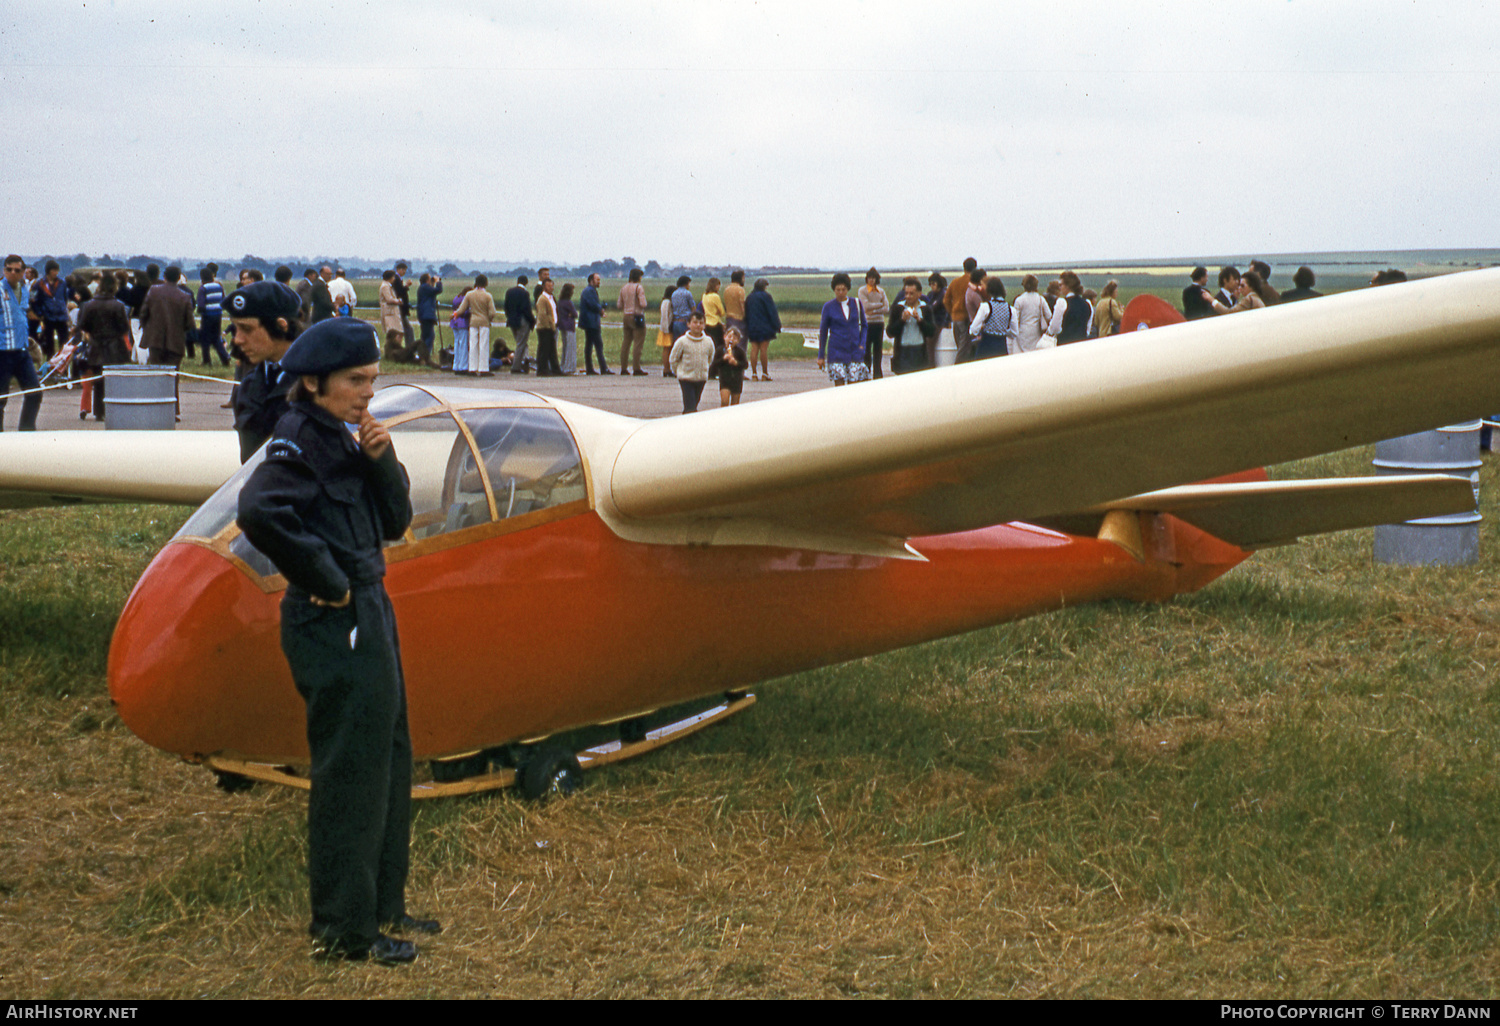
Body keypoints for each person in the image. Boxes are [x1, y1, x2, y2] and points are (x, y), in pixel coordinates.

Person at [236, 317, 436, 965]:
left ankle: (384, 906)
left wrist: (382, 458)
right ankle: (344, 933)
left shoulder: (345, 436)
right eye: (356, 382)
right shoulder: (297, 438)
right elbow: (260, 511)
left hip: (370, 605)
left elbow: (397, 520)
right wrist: (324, 578)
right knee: (351, 771)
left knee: (390, 755)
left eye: (373, 381)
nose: (367, 394)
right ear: (315, 382)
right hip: (337, 618)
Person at [226, 281, 301, 462]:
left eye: (247, 329)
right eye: (236, 328)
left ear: (281, 326)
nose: (237, 340)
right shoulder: (248, 385)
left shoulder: (317, 383)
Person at [139, 265, 197, 417]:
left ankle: (156, 407)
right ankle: (174, 410)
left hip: (155, 339)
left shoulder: (153, 291)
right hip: (176, 341)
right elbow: (190, 323)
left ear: (164, 277)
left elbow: (143, 313)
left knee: (156, 374)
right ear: (179, 278)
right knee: (173, 376)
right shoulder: (185, 296)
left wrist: (148, 328)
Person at [74, 270, 132, 421]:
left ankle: (99, 412)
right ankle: (112, 409)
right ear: (114, 287)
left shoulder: (88, 305)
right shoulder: (118, 306)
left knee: (98, 380)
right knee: (113, 380)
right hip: (114, 347)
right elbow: (124, 328)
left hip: (95, 346)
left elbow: (83, 325)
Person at [0, 255, 43, 431]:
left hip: (22, 351)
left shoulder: (24, 289)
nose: (12, 273)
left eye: (17, 270)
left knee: (34, 393)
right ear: (4, 270)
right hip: (2, 352)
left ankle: (26, 432)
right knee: (1, 398)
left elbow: (22, 314)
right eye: (8, 269)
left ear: (23, 272)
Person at [818, 272, 868, 386]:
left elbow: (864, 326)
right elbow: (823, 331)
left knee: (854, 386)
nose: (841, 293)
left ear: (848, 289)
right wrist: (821, 355)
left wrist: (862, 345)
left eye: (843, 289)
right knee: (839, 387)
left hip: (854, 351)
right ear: (834, 290)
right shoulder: (828, 307)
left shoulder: (856, 303)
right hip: (836, 353)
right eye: (838, 290)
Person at [886, 276, 934, 374]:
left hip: (919, 351)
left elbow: (931, 332)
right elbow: (890, 332)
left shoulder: (925, 309)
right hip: (903, 352)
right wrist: (902, 320)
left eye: (911, 294)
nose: (908, 296)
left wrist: (920, 321)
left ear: (919, 294)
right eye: (906, 293)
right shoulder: (898, 308)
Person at [669, 311, 714, 413]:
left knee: (695, 403)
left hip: (701, 378)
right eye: (695, 322)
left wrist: (704, 368)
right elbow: (673, 359)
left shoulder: (708, 341)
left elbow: (710, 357)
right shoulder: (682, 341)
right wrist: (679, 372)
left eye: (701, 323)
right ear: (688, 324)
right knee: (690, 406)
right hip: (686, 379)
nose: (698, 325)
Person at [454, 275, 496, 375]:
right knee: (483, 345)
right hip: (484, 322)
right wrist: (490, 319)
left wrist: (455, 314)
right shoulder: (487, 296)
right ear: (486, 283)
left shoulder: (469, 294)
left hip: (473, 322)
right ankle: (483, 369)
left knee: (473, 345)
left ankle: (472, 368)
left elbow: (461, 309)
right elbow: (492, 312)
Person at [30, 260, 71, 360]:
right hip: (48, 317)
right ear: (48, 271)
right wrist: (40, 313)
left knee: (64, 342)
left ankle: (63, 364)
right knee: (49, 343)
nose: (56, 273)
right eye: (54, 270)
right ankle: (50, 362)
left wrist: (63, 308)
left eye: (57, 270)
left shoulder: (62, 283)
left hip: (61, 316)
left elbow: (65, 298)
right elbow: (32, 300)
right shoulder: (38, 284)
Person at [744, 277, 780, 381]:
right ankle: (765, 373)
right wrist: (777, 325)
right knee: (763, 349)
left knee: (754, 349)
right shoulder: (766, 296)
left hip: (752, 326)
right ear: (763, 286)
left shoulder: (750, 297)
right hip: (764, 326)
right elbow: (772, 311)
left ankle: (754, 374)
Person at [969, 277, 1014, 359]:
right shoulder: (1011, 309)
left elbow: (973, 330)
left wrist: (982, 327)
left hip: (986, 347)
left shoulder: (985, 307)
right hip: (1002, 347)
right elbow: (1014, 333)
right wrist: (1002, 330)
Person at [858, 268, 889, 378]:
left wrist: (874, 310)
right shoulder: (862, 290)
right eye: (870, 278)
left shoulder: (881, 291)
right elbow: (865, 307)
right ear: (867, 279)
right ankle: (866, 373)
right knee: (866, 349)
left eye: (874, 278)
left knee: (878, 349)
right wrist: (879, 305)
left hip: (879, 323)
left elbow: (886, 308)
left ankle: (878, 374)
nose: (872, 280)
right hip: (868, 323)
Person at [617, 267, 648, 376]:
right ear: (638, 277)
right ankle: (636, 367)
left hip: (626, 316)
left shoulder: (623, 288)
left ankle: (624, 368)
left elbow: (619, 305)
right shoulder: (638, 288)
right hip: (637, 315)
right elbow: (643, 304)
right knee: (638, 342)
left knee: (626, 342)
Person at [503, 275, 534, 374]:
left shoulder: (509, 292)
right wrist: (532, 321)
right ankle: (516, 367)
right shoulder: (525, 293)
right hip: (522, 321)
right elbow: (526, 309)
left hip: (511, 321)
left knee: (520, 343)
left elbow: (506, 307)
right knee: (521, 344)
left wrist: (509, 317)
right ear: (526, 282)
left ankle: (524, 361)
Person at [579, 273, 609, 375]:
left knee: (590, 345)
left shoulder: (590, 291)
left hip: (590, 322)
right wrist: (600, 310)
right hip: (591, 322)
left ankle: (591, 368)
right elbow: (593, 305)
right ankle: (602, 368)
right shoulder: (589, 291)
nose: (599, 282)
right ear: (591, 280)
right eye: (597, 280)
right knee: (597, 345)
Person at [711, 325, 748, 406]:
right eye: (729, 337)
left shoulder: (740, 351)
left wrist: (736, 363)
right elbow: (714, 364)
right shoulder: (720, 350)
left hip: (737, 381)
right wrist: (723, 359)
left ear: (738, 341)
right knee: (724, 401)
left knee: (735, 404)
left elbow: (745, 365)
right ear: (725, 337)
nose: (731, 340)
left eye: (734, 338)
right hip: (724, 380)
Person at [533, 277, 562, 376]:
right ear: (544, 287)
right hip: (545, 328)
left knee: (551, 350)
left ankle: (555, 369)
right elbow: (542, 315)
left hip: (551, 327)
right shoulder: (542, 299)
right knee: (544, 349)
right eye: (549, 286)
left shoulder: (551, 298)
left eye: (552, 286)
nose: (551, 288)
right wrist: (549, 326)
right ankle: (541, 369)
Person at [1054, 271, 1092, 344]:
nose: (1059, 287)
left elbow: (1055, 328)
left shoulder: (1062, 303)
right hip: (1081, 344)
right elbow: (1088, 329)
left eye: (1061, 285)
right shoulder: (1087, 303)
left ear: (1068, 286)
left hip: (1064, 344)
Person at [415, 273, 443, 367]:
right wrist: (438, 282)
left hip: (424, 315)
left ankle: (421, 356)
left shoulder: (423, 288)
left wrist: (433, 283)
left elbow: (432, 291)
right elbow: (438, 290)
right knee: (429, 336)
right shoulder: (425, 287)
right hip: (427, 315)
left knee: (425, 336)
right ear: (427, 280)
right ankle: (425, 357)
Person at [378, 270, 404, 361]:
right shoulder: (385, 286)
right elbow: (389, 299)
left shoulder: (387, 285)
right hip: (390, 313)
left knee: (398, 332)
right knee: (394, 333)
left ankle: (395, 352)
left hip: (392, 313)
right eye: (393, 277)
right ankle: (393, 353)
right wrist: (398, 301)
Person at [722, 270, 748, 356]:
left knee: (730, 341)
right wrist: (746, 316)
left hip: (729, 318)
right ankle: (739, 360)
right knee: (740, 342)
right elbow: (742, 305)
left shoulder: (727, 289)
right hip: (739, 319)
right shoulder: (740, 290)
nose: (744, 280)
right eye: (743, 278)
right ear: (740, 278)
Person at [702, 276, 726, 364]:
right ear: (715, 286)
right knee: (719, 347)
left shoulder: (704, 295)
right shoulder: (715, 296)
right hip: (715, 323)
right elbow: (722, 312)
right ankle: (717, 367)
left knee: (709, 347)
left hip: (707, 322)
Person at [392, 262, 415, 354]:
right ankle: (410, 348)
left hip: (402, 308)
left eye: (405, 270)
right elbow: (399, 292)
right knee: (408, 329)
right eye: (403, 269)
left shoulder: (398, 279)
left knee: (404, 329)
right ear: (398, 269)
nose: (404, 271)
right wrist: (406, 286)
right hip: (401, 309)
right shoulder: (397, 279)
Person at [449, 285, 472, 374]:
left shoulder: (457, 297)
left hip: (454, 322)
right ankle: (463, 366)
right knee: (463, 345)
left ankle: (456, 365)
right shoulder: (466, 299)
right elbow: (464, 311)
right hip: (463, 322)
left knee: (457, 344)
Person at [557, 282, 578, 375]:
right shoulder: (569, 302)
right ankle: (569, 368)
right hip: (569, 326)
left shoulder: (560, 302)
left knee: (565, 347)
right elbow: (575, 314)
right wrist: (571, 314)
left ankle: (563, 366)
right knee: (571, 347)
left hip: (562, 326)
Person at [656, 284, 675, 377]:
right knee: (667, 348)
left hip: (665, 327)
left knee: (668, 348)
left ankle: (667, 368)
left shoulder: (665, 301)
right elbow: (665, 316)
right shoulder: (667, 302)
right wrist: (667, 328)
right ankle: (666, 369)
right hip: (666, 328)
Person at [669, 275, 695, 341]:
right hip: (685, 321)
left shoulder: (674, 293)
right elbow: (693, 307)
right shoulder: (687, 293)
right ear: (686, 284)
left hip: (676, 322)